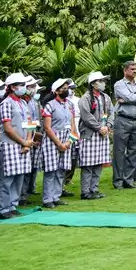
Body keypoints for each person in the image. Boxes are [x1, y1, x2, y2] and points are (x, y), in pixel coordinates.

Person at [0, 73, 33, 220]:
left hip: (24, 144)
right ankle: (2, 209)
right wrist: (23, 142)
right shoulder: (6, 103)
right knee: (7, 179)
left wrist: (28, 142)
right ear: (12, 87)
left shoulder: (23, 103)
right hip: (9, 144)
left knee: (19, 177)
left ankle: (12, 206)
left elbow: (29, 123)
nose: (24, 88)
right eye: (21, 85)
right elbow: (8, 128)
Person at [40, 79, 77, 208]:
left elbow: (72, 125)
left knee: (61, 169)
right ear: (56, 91)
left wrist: (68, 141)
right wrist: (59, 143)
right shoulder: (49, 105)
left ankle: (56, 196)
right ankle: (47, 199)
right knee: (51, 170)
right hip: (52, 141)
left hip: (67, 139)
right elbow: (47, 127)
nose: (66, 89)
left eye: (67, 87)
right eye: (62, 87)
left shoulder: (70, 105)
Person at [112, 62, 136, 190]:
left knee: (134, 151)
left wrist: (131, 99)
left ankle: (129, 179)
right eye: (132, 69)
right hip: (123, 120)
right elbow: (129, 97)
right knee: (119, 151)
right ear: (125, 71)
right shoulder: (119, 84)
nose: (135, 71)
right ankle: (118, 181)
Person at [78, 71, 113, 200]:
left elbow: (111, 112)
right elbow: (86, 116)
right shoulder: (85, 98)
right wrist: (99, 127)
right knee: (88, 165)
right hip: (90, 134)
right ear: (93, 84)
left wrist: (108, 125)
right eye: (101, 81)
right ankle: (85, 191)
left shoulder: (106, 97)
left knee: (98, 163)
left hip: (102, 134)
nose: (103, 83)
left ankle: (94, 189)